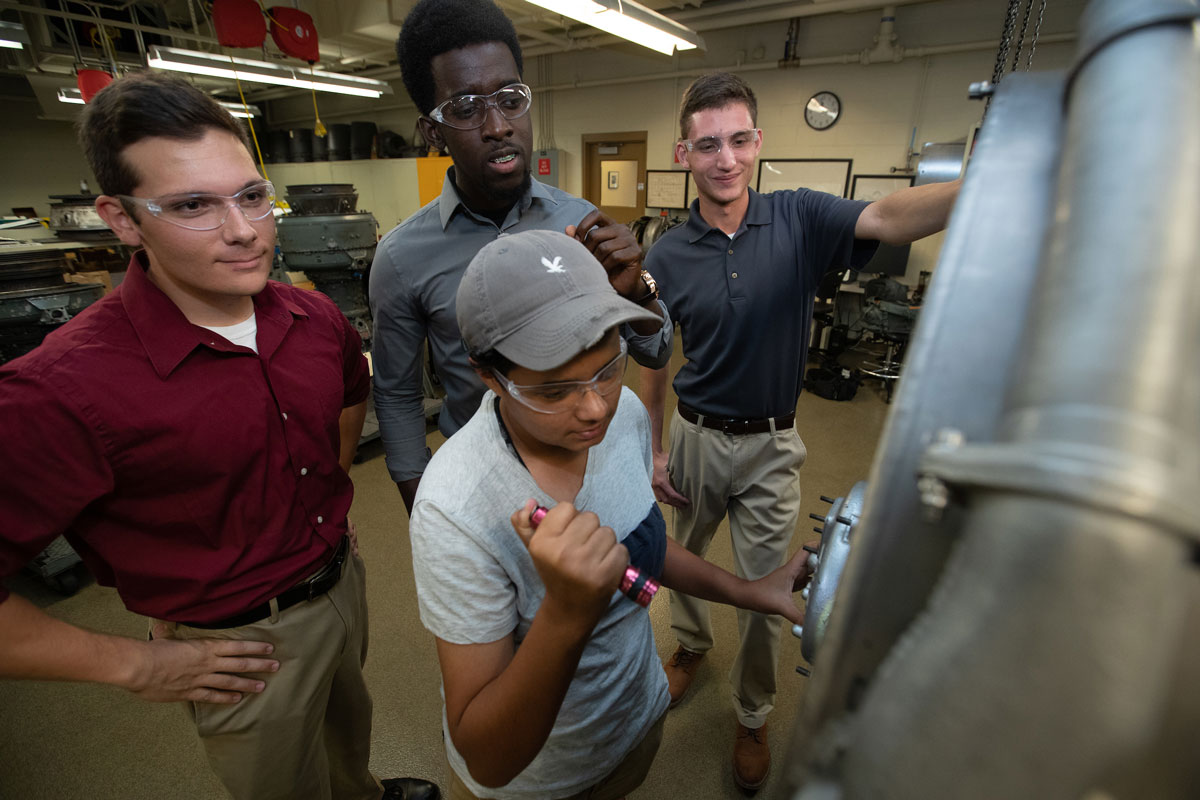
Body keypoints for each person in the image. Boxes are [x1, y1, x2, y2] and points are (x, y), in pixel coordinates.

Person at [0, 71, 437, 800]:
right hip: (239, 644)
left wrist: (321, 513)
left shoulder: (311, 318)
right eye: (193, 205)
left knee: (345, 734)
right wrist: (133, 666)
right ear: (121, 218)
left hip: (340, 582)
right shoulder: (61, 389)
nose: (242, 230)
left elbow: (347, 401)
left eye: (253, 196)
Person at [408, 229, 815, 800]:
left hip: (634, 725)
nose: (595, 406)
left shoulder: (621, 413)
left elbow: (642, 540)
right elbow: (487, 755)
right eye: (554, 391)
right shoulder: (455, 505)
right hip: (546, 780)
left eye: (607, 367)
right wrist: (568, 613)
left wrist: (755, 591)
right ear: (485, 373)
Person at [639, 72, 962, 792]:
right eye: (708, 144)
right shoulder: (664, 255)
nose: (725, 158)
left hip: (770, 446)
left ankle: (752, 714)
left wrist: (981, 184)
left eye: (739, 140)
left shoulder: (800, 219)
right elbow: (654, 359)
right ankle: (689, 645)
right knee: (674, 558)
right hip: (691, 436)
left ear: (757, 142)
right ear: (683, 152)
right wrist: (654, 447)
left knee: (770, 587)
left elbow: (885, 217)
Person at [370, 0, 673, 515]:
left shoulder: (582, 223)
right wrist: (427, 513)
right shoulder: (401, 258)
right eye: (466, 108)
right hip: (483, 490)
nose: (498, 125)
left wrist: (638, 290)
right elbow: (397, 395)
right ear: (433, 132)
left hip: (591, 474)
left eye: (511, 99)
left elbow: (657, 352)